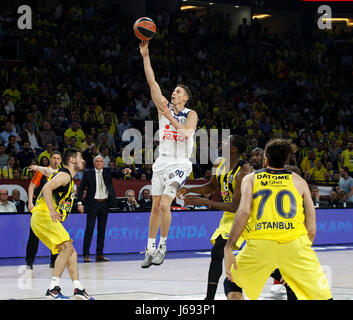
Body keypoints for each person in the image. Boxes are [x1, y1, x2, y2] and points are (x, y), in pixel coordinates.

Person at [224, 138, 332, 300]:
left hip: (260, 245)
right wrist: (299, 253)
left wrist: (229, 247)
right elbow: (311, 229)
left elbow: (243, 212)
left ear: (266, 158)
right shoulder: (300, 182)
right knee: (318, 295)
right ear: (286, 160)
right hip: (295, 245)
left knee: (232, 283)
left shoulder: (251, 179)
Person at [139, 40, 198, 268]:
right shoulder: (162, 104)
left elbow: (184, 134)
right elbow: (152, 81)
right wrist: (146, 56)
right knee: (155, 207)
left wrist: (169, 117)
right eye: (173, 90)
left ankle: (163, 246)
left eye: (178, 91)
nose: (173, 93)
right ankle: (150, 248)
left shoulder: (191, 113)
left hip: (181, 163)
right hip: (161, 162)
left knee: (165, 205)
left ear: (185, 98)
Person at [177, 135, 250, 300]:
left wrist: (202, 201)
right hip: (231, 216)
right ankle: (209, 299)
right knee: (217, 252)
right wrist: (189, 189)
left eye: (226, 142)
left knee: (260, 256)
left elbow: (236, 206)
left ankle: (285, 280)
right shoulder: (219, 162)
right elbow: (212, 186)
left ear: (234, 149)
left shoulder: (244, 171)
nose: (221, 143)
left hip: (247, 215)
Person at [30, 148, 93, 300]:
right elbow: (46, 187)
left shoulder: (63, 175)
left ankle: (78, 287)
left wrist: (38, 168)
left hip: (41, 218)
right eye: (80, 157)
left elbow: (47, 172)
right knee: (67, 247)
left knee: (71, 252)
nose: (83, 160)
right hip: (44, 215)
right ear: (72, 160)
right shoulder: (64, 175)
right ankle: (53, 288)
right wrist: (52, 210)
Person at [77, 155, 119, 263]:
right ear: (94, 163)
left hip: (104, 204)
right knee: (89, 229)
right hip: (92, 204)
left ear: (103, 163)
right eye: (97, 161)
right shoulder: (88, 173)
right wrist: (80, 203)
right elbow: (81, 188)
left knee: (102, 230)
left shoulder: (107, 171)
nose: (99, 163)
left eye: (101, 161)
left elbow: (117, 173)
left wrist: (125, 171)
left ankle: (99, 254)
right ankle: (86, 254)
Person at [26, 151, 62, 269]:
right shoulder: (42, 171)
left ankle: (54, 261)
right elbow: (31, 187)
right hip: (39, 209)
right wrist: (30, 202)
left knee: (55, 235)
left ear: (60, 160)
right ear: (50, 159)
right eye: (53, 158)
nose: (55, 160)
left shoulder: (61, 174)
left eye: (58, 158)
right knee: (34, 235)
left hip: (53, 209)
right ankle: (29, 262)